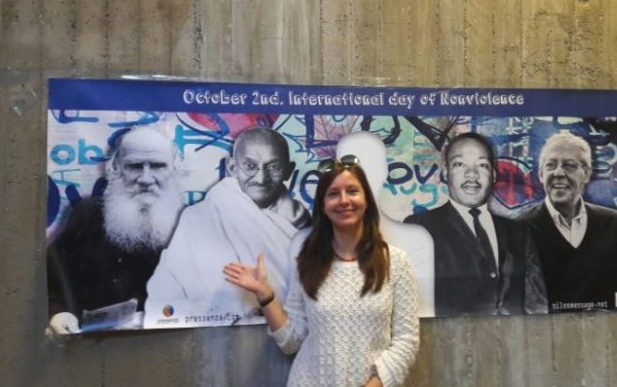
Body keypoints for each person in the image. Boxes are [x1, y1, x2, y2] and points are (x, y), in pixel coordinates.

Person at [223, 155, 419, 387]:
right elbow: (291, 341)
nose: (344, 200)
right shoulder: (308, 262)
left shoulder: (396, 262)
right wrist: (265, 296)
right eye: (333, 194)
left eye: (352, 191)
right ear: (323, 207)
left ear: (366, 200)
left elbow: (407, 342)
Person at [144, 127, 311, 328]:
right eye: (249, 166)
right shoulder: (197, 219)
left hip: (290, 333)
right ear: (232, 167)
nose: (261, 179)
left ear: (288, 170)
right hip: (219, 336)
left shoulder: (304, 224)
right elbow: (165, 295)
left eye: (273, 167)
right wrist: (230, 313)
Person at [47, 126, 185, 334]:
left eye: (158, 166)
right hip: (96, 346)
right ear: (115, 168)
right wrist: (59, 314)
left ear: (175, 171)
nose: (146, 179)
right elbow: (50, 283)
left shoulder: (193, 222)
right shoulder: (87, 215)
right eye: (135, 166)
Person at [405, 132, 548, 316]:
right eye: (459, 164)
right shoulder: (419, 228)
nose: (471, 174)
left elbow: (538, 307)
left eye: (482, 165)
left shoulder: (519, 232)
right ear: (446, 173)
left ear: (493, 175)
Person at [519, 132, 617, 312]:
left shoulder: (614, 224)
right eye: (551, 165)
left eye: (569, 165)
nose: (559, 173)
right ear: (541, 174)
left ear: (586, 174)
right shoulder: (519, 229)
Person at [336, 131, 435, 317]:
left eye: (370, 164)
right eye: (347, 167)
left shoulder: (416, 241)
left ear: (384, 171)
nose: (359, 179)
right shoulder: (306, 247)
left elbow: (422, 317)